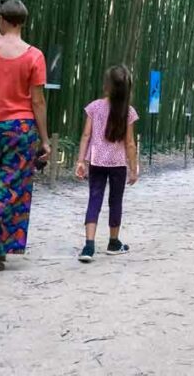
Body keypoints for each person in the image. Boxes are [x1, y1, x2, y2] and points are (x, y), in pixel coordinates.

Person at [0, 0, 50, 275]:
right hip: (21, 128)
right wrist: (45, 140)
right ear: (23, 22)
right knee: (9, 189)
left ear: (2, 20)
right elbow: (38, 102)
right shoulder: (34, 56)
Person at [75, 64, 140, 262]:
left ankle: (89, 246)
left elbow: (86, 135)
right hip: (118, 165)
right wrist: (133, 168)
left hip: (97, 162)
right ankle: (113, 242)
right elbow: (129, 143)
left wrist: (81, 161)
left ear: (107, 86)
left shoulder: (95, 107)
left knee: (94, 200)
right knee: (115, 202)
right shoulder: (128, 111)